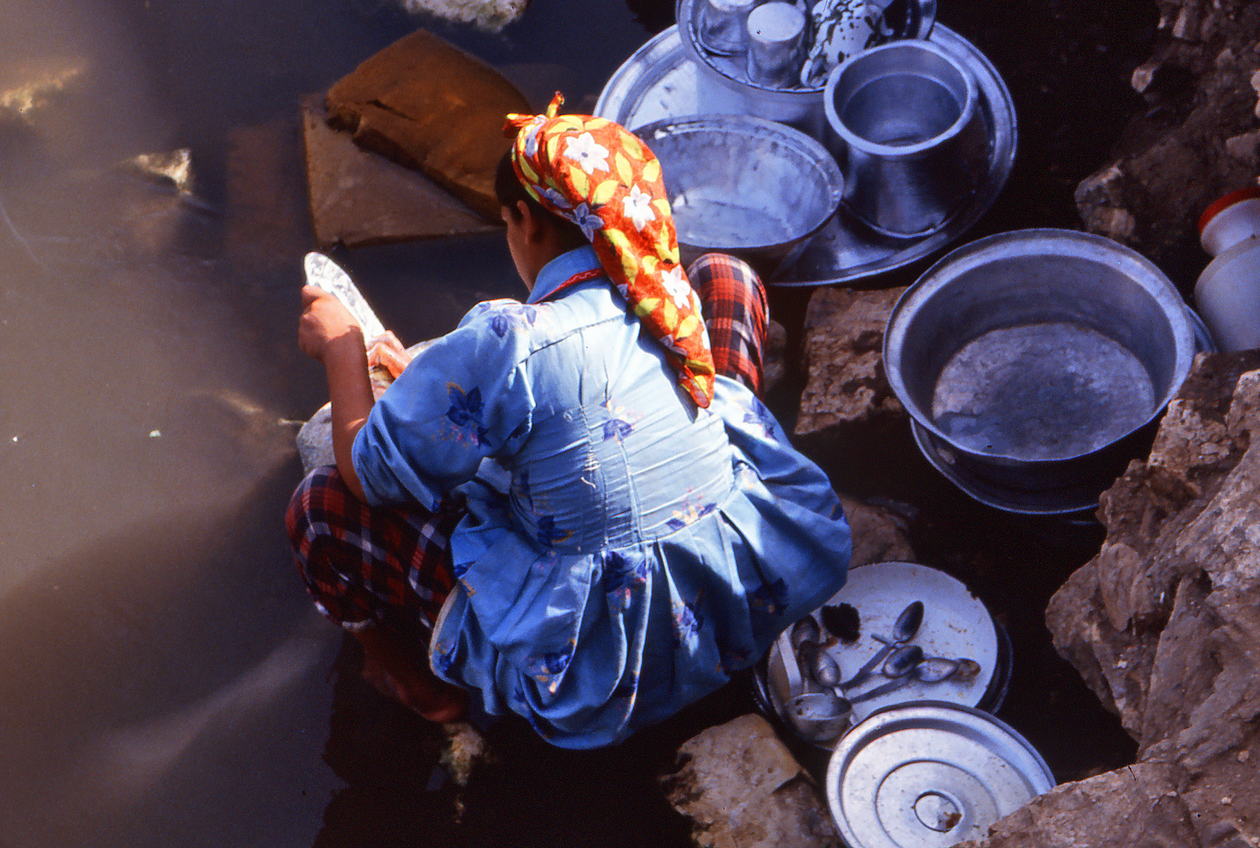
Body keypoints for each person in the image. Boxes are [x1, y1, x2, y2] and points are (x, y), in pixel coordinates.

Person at [288, 98, 852, 748]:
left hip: (607, 672)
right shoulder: (661, 295)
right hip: (752, 593)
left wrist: (341, 349)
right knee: (728, 278)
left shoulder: (507, 339)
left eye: (505, 222)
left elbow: (365, 474)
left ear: (524, 221)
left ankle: (417, 685)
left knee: (319, 507)